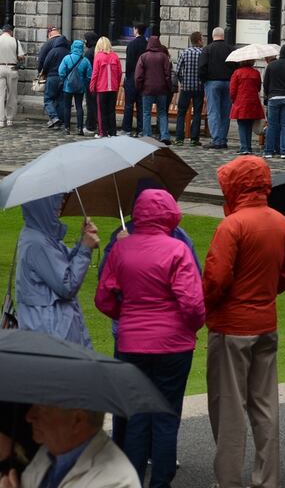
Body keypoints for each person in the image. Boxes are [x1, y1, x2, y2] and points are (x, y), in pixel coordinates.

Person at [95, 189, 204, 487]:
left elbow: (104, 298)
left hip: (133, 343)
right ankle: (160, 482)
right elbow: (193, 303)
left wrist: (126, 314)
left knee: (139, 417)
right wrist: (189, 327)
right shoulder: (177, 249)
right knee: (166, 416)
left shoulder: (121, 249)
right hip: (173, 344)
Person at [204, 156, 285, 488]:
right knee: (265, 405)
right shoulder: (282, 223)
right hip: (265, 321)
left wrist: (208, 307)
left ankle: (228, 481)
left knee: (229, 407)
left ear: (236, 186)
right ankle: (266, 480)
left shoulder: (233, 225)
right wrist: (263, 293)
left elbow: (216, 279)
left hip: (232, 326)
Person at [15, 194, 99, 347]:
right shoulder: (37, 242)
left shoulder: (42, 236)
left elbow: (62, 266)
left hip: (52, 326)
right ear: (43, 204)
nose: (62, 202)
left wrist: (82, 242)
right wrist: (85, 248)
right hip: (49, 330)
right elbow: (67, 285)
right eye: (57, 199)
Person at [0, 407, 139, 488]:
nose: (29, 416)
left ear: (77, 420)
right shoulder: (51, 450)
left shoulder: (115, 482)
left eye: (42, 409)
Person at [199, 27, 235, 149]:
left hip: (212, 82)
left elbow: (202, 68)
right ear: (223, 36)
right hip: (228, 83)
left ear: (213, 35)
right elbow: (236, 66)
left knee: (213, 112)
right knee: (226, 112)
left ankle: (216, 139)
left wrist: (204, 81)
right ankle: (223, 139)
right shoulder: (230, 49)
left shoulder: (207, 49)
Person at [262, 44, 285, 159]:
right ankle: (284, 151)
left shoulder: (271, 65)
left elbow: (266, 83)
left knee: (272, 125)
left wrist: (269, 95)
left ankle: (269, 151)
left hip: (273, 97)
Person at [135, 36, 173, 143]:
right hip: (162, 89)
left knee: (146, 113)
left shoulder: (143, 57)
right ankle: (164, 135)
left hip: (147, 89)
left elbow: (138, 75)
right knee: (162, 113)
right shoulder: (164, 57)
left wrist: (139, 87)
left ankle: (147, 135)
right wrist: (168, 87)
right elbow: (168, 75)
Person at [0, 24, 25, 128]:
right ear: (11, 31)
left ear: (3, 31)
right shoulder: (15, 41)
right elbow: (21, 56)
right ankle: (10, 119)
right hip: (12, 68)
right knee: (12, 94)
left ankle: (0, 120)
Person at [173, 31, 205, 146]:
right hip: (199, 88)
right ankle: (194, 139)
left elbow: (177, 71)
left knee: (181, 113)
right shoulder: (203, 53)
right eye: (202, 38)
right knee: (197, 113)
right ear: (199, 40)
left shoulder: (184, 52)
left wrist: (183, 81)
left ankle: (179, 138)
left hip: (186, 88)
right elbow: (205, 70)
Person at [57, 38, 92, 136]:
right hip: (80, 87)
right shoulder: (85, 60)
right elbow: (89, 75)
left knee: (67, 107)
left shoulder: (67, 58)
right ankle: (80, 128)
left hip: (68, 86)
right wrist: (84, 82)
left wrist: (64, 79)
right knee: (79, 107)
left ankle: (67, 128)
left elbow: (61, 71)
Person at [36, 26, 69, 128]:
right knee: (61, 100)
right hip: (64, 78)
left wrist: (41, 73)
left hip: (52, 76)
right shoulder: (68, 49)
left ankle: (54, 117)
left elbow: (44, 62)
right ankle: (60, 120)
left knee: (48, 99)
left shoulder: (52, 49)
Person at [89, 36, 121, 138]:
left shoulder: (98, 56)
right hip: (113, 88)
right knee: (111, 111)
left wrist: (92, 86)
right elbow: (119, 73)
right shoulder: (115, 56)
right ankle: (112, 132)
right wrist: (117, 84)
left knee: (101, 111)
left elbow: (95, 73)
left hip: (102, 88)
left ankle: (102, 132)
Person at [229, 59, 263, 155]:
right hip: (253, 102)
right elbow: (259, 87)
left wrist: (233, 100)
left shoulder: (237, 73)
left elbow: (232, 90)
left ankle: (244, 147)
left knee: (242, 125)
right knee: (249, 125)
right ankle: (248, 146)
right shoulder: (256, 73)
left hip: (241, 102)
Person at [122, 25, 147, 136]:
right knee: (141, 105)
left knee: (129, 105)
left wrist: (127, 77)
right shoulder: (146, 44)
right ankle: (141, 130)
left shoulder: (131, 45)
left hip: (132, 77)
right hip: (144, 78)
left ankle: (127, 129)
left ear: (136, 30)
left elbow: (129, 63)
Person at [82, 31, 101, 135]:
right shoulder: (98, 50)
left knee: (91, 105)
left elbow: (85, 68)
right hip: (99, 82)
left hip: (90, 81)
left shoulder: (89, 52)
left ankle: (91, 125)